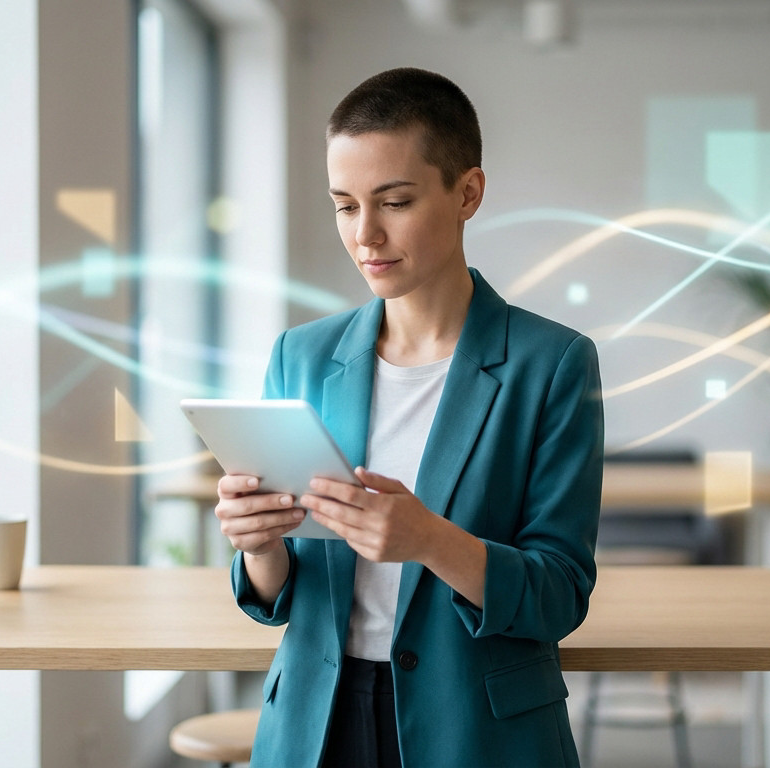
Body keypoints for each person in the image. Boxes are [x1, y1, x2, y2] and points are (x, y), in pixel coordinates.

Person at [214, 67, 603, 768]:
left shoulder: (552, 365)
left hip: (477, 731)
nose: (366, 234)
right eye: (344, 205)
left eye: (394, 201)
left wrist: (429, 539)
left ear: (468, 194)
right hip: (316, 723)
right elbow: (276, 597)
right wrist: (258, 545)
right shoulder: (300, 358)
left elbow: (560, 594)